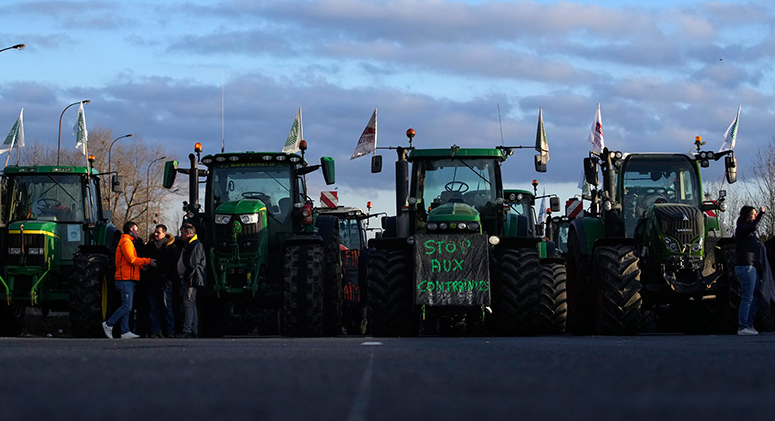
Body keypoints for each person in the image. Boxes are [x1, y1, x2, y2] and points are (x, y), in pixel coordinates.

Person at [103, 222, 155, 339]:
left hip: (128, 278)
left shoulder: (127, 242)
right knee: (127, 306)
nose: (138, 232)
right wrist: (147, 261)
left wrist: (141, 266)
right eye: (136, 230)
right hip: (124, 279)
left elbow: (128, 261)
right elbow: (131, 259)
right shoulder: (126, 242)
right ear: (131, 230)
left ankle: (125, 331)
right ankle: (109, 324)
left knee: (127, 306)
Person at [735, 205, 765, 336]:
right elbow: (753, 227)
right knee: (748, 297)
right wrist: (761, 214)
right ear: (746, 215)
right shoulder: (742, 228)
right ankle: (743, 326)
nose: (754, 216)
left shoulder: (747, 230)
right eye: (752, 214)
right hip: (746, 266)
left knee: (756, 295)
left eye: (755, 214)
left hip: (751, 266)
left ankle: (749, 324)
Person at [143, 224, 177, 338]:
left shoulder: (171, 248)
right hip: (151, 282)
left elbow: (174, 266)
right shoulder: (150, 247)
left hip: (165, 282)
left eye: (158, 232)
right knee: (153, 308)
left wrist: (170, 279)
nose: (156, 234)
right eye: (155, 232)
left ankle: (170, 331)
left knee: (167, 307)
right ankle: (154, 331)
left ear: (164, 234)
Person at [178, 223, 206, 338]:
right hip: (190, 278)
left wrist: (186, 277)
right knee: (191, 303)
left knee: (189, 303)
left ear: (188, 233)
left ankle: (188, 329)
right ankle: (193, 328)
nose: (181, 235)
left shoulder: (195, 245)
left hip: (191, 279)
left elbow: (192, 264)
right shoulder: (191, 244)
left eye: (182, 233)